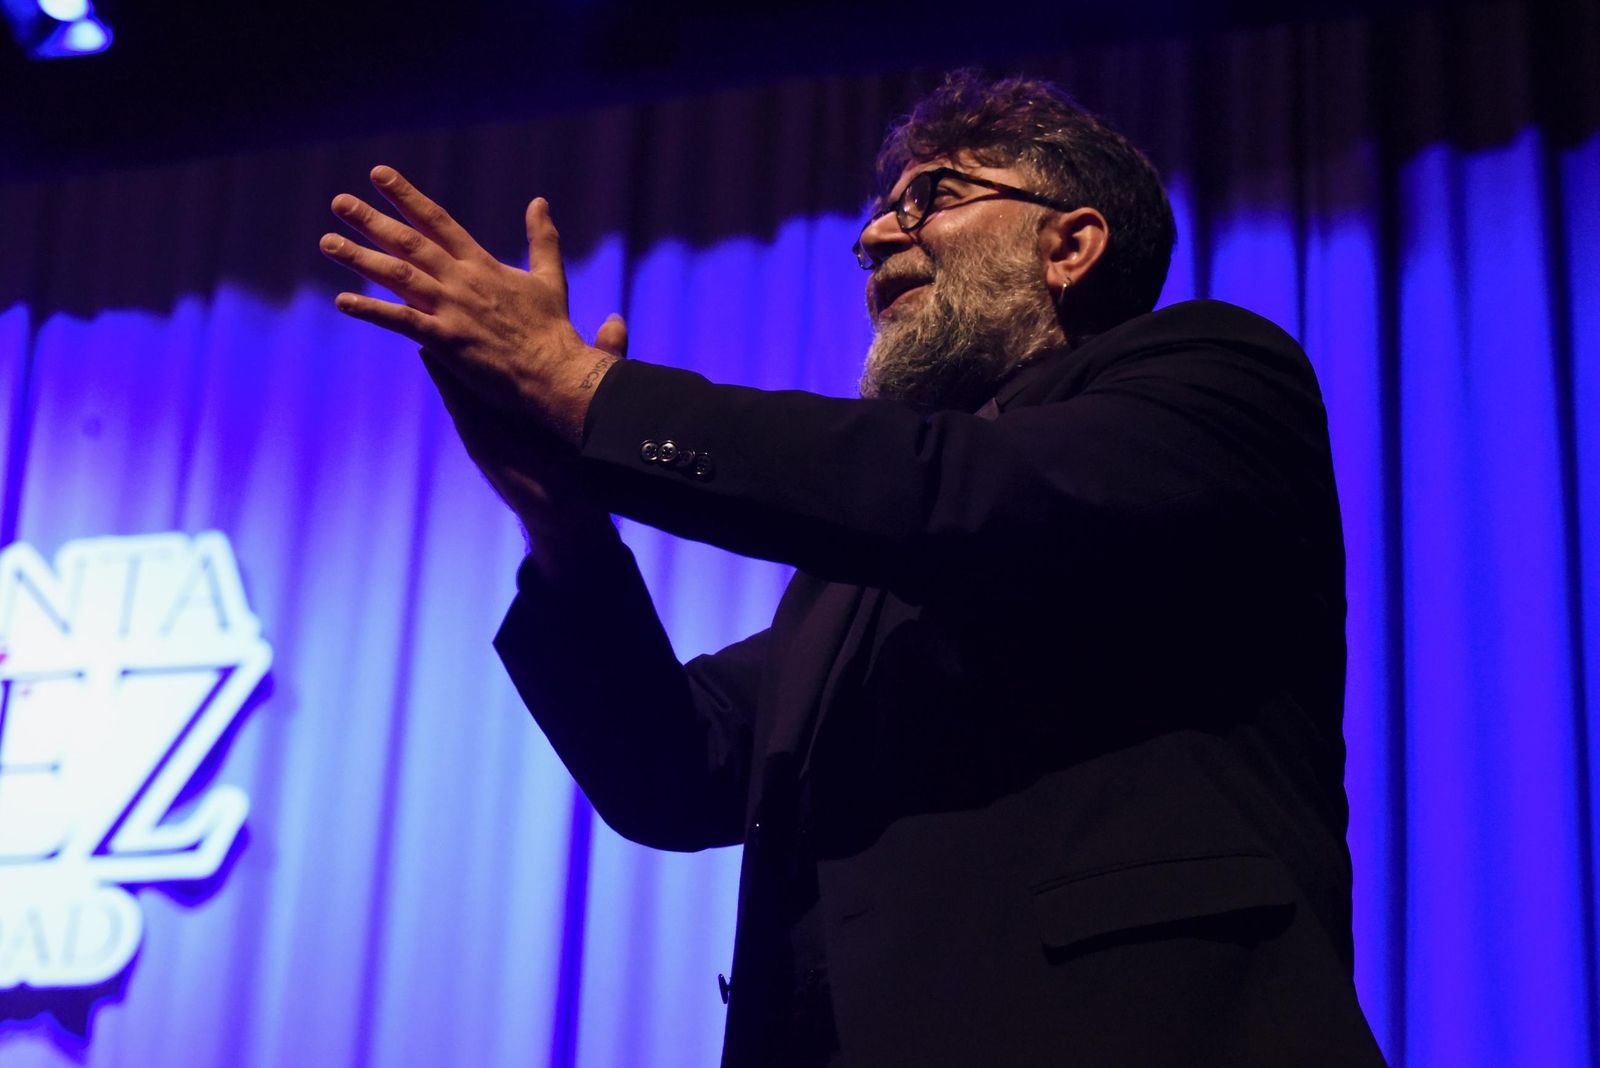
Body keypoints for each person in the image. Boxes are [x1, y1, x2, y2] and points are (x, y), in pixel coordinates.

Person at [322, 72, 1384, 1066]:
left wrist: (586, 391)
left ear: (1071, 244)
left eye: (933, 197)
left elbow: (958, 493)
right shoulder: (854, 576)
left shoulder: (1211, 381)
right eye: (880, 212)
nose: (877, 236)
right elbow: (678, 773)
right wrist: (563, 523)